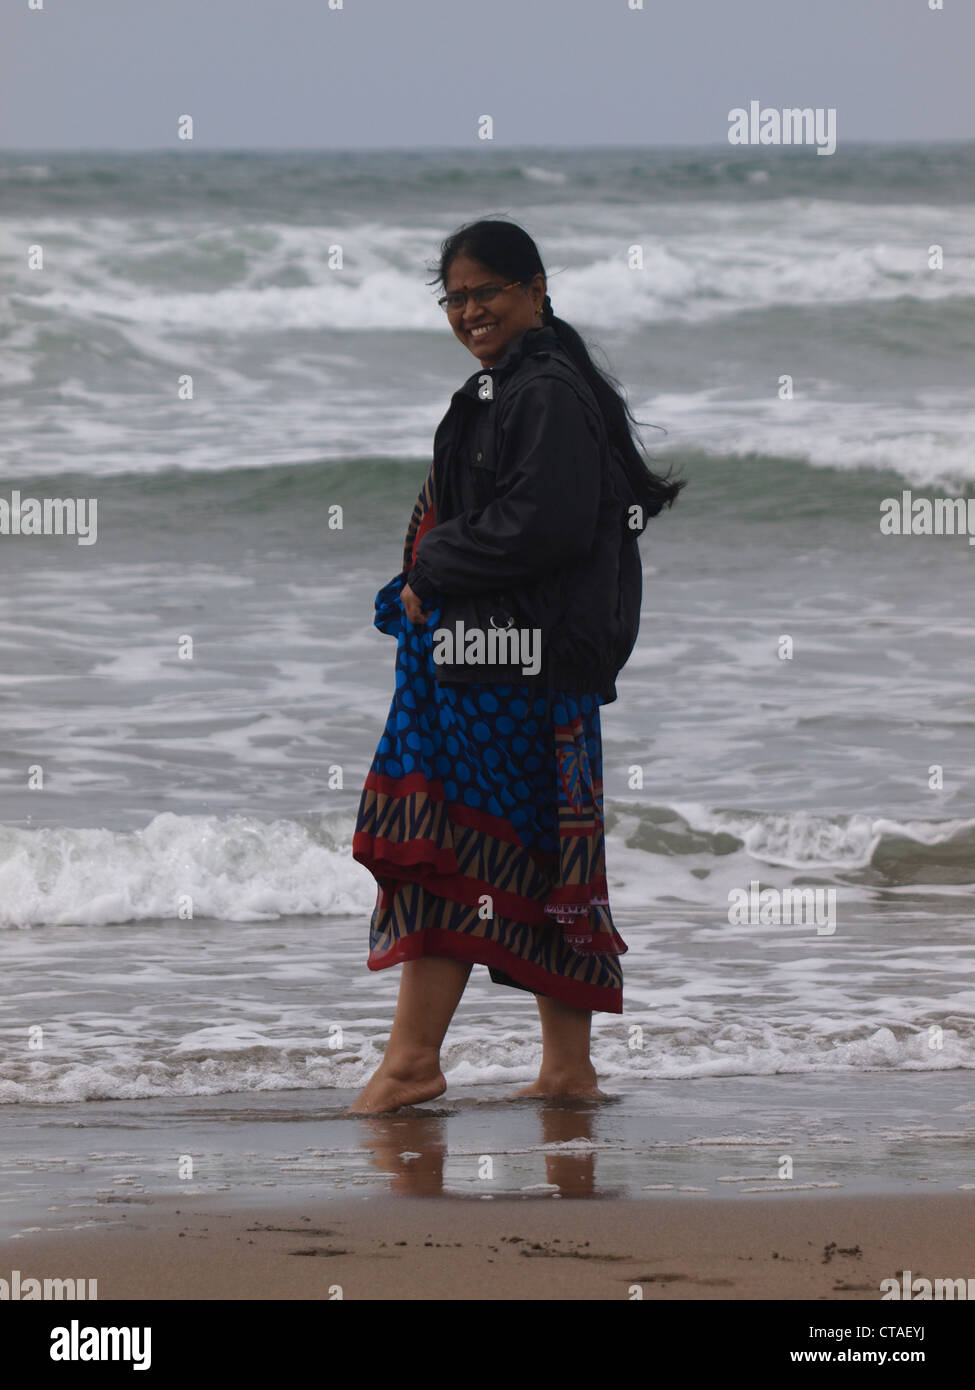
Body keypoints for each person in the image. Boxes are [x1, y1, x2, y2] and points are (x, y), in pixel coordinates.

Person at [350, 219, 683, 1115]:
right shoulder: (517, 388)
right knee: (538, 858)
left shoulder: (543, 393)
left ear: (534, 289)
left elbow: (547, 523)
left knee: (451, 852)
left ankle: (413, 1063)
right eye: (453, 298)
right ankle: (566, 1071)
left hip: (512, 666)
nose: (468, 311)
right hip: (506, 660)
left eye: (484, 292)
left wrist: (434, 569)